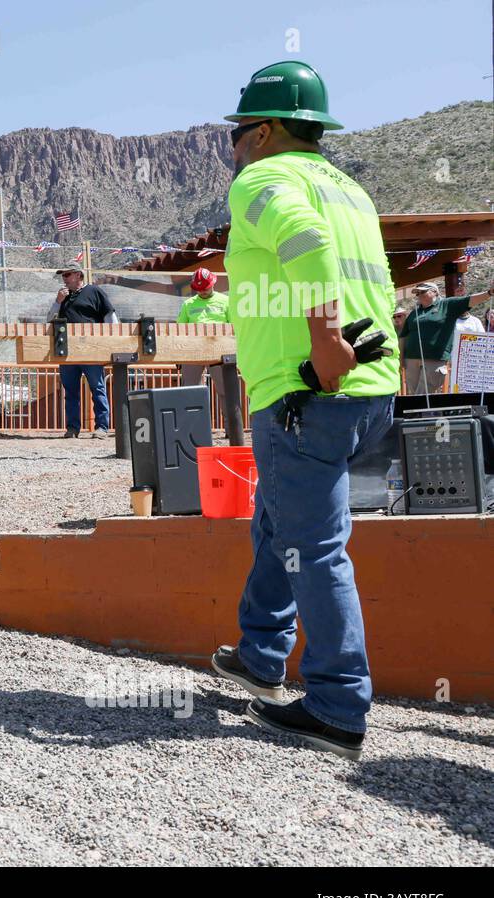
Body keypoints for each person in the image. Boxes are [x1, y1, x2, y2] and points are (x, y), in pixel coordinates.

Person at [209, 61, 401, 761]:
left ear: (262, 132)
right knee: (281, 518)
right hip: (368, 388)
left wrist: (322, 348)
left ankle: (337, 704)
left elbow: (308, 249)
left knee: (313, 547)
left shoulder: (262, 180)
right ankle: (262, 652)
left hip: (306, 394)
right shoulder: (349, 189)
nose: (232, 149)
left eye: (236, 135)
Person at [48, 265, 115, 438]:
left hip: (91, 349)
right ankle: (72, 428)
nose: (64, 278)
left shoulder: (94, 291)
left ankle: (102, 427)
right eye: (62, 275)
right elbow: (49, 320)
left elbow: (110, 317)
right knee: (70, 391)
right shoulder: (63, 297)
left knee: (97, 387)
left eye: (68, 274)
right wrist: (58, 302)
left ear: (79, 275)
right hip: (67, 350)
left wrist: (114, 340)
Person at [396, 281, 493, 395]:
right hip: (411, 361)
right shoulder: (414, 313)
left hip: (434, 360)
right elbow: (403, 336)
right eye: (417, 293)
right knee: (415, 394)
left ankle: (418, 412)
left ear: (434, 292)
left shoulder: (447, 305)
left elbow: (469, 300)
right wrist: (401, 359)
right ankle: (423, 413)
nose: (419, 295)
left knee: (422, 395)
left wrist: (489, 293)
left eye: (422, 292)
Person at [176, 267, 230, 386]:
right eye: (199, 289)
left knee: (226, 389)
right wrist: (179, 355)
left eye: (205, 288)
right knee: (190, 390)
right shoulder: (187, 304)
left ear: (212, 283)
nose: (202, 291)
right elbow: (179, 329)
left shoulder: (226, 301)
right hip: (192, 349)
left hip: (220, 349)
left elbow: (234, 327)